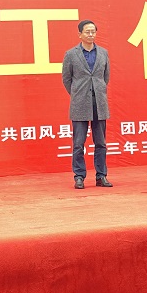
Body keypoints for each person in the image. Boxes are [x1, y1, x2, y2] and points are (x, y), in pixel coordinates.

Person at [61, 20, 112, 189]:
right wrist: (77, 94)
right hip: (80, 103)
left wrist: (98, 90)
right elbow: (66, 79)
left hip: (99, 102)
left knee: (101, 143)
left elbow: (105, 77)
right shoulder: (71, 54)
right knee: (78, 143)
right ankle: (79, 176)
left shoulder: (103, 53)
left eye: (93, 32)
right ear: (80, 34)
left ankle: (101, 175)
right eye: (87, 32)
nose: (90, 34)